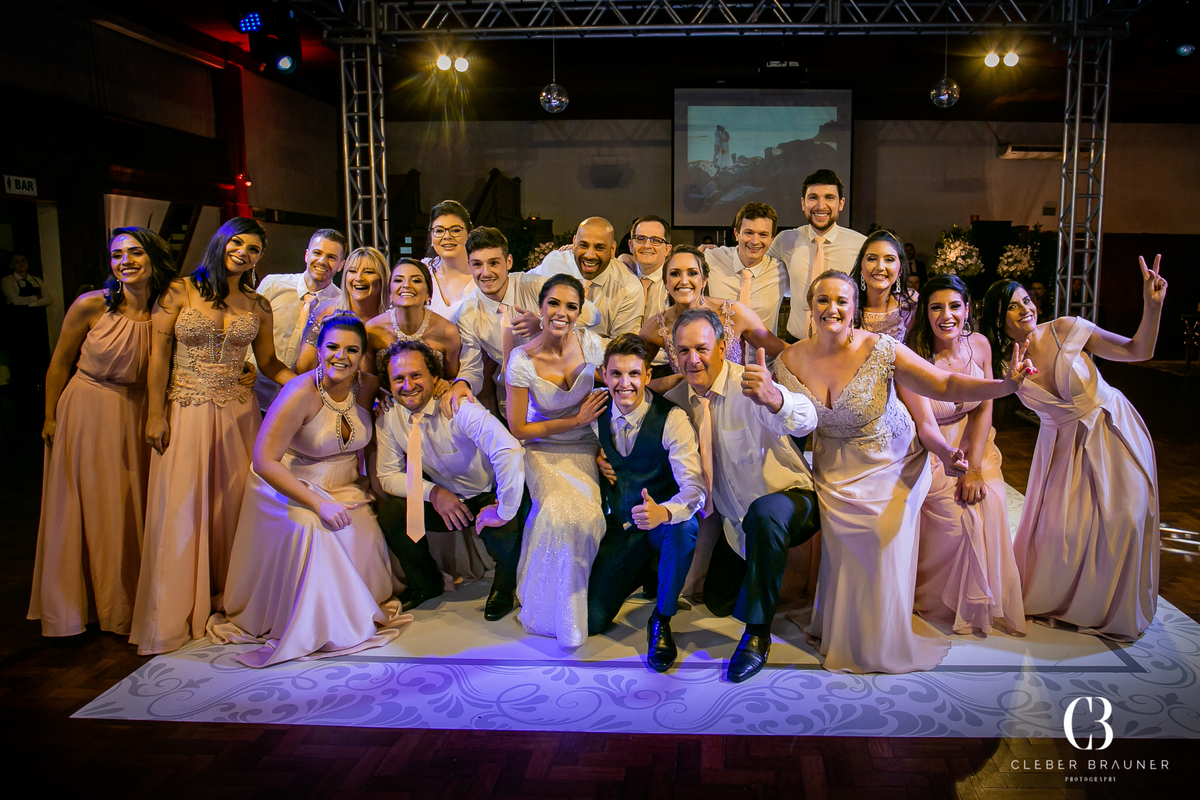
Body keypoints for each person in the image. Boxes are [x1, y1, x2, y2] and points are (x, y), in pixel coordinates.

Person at [773, 270, 1033, 674]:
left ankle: (882, 641)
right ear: (811, 306)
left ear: (855, 308)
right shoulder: (788, 360)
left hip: (893, 464)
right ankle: (841, 631)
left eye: (842, 300)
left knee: (879, 539)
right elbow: (783, 419)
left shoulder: (883, 349)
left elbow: (945, 385)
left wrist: (1005, 386)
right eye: (823, 300)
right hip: (834, 471)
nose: (832, 308)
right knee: (843, 551)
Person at [131, 217, 297, 656]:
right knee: (182, 505)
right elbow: (158, 353)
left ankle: (231, 595)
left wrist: (311, 384)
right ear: (221, 242)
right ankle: (177, 608)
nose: (244, 253)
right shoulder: (179, 291)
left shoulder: (258, 306)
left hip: (239, 415)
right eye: (238, 243)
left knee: (234, 505)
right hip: (185, 410)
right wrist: (155, 415)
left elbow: (270, 364)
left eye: (255, 249)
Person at [980, 258, 1166, 641]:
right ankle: (1071, 603)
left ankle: (1116, 610)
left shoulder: (1067, 328)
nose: (1025, 309)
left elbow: (1138, 350)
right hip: (1061, 446)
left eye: (1027, 300)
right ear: (999, 318)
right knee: (1063, 532)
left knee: (1125, 518)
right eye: (1013, 305)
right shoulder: (1001, 362)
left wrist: (1152, 306)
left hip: (1109, 428)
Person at [209, 314, 407, 667]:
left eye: (351, 349)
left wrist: (378, 486)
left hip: (346, 486)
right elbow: (264, 459)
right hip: (290, 486)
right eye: (332, 347)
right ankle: (316, 626)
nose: (340, 357)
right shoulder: (299, 391)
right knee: (317, 532)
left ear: (362, 355)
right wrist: (317, 503)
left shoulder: (365, 385)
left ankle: (356, 607)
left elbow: (374, 442)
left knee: (367, 531)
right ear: (318, 349)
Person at [28, 228, 173, 637]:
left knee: (132, 504)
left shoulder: (169, 309)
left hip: (141, 412)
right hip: (88, 408)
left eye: (134, 252)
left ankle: (130, 600)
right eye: (116, 255)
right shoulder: (91, 305)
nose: (124, 261)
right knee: (91, 503)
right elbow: (58, 364)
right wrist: (51, 417)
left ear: (154, 258)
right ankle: (80, 607)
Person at [662, 310, 819, 683]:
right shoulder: (677, 400)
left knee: (764, 515)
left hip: (791, 500)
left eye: (701, 348)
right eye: (683, 351)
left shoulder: (749, 384)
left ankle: (757, 634)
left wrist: (776, 398)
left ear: (721, 347)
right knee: (718, 602)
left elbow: (808, 419)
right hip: (738, 525)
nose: (693, 359)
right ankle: (755, 581)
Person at [904, 275, 1026, 635]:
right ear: (924, 313)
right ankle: (935, 600)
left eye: (955, 306)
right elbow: (925, 425)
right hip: (931, 447)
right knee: (954, 515)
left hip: (976, 440)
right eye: (936, 307)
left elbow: (985, 405)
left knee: (991, 500)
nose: (947, 315)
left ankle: (985, 600)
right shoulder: (912, 356)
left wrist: (974, 466)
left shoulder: (982, 346)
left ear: (967, 308)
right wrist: (949, 458)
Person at [375, 339, 529, 620]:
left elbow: (509, 451)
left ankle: (505, 588)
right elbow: (387, 475)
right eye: (398, 378)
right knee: (393, 516)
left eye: (415, 375)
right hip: (446, 498)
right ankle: (425, 584)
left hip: (487, 492)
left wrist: (503, 509)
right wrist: (432, 493)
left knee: (506, 533)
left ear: (435, 377)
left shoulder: (459, 407)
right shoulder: (388, 417)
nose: (407, 385)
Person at [587, 334, 705, 672]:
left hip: (659, 527)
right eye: (616, 374)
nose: (625, 384)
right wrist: (595, 457)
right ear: (604, 375)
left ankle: (662, 619)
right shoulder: (595, 410)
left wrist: (663, 511)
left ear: (647, 376)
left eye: (634, 374)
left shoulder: (672, 418)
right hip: (620, 528)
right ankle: (642, 572)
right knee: (593, 621)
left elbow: (694, 488)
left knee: (685, 528)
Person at [504, 273, 609, 648]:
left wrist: (605, 449)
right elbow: (518, 427)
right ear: (541, 308)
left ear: (579, 313)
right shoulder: (522, 359)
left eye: (571, 306)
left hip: (585, 450)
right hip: (543, 452)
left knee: (589, 515)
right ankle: (553, 614)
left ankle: (572, 605)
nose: (561, 313)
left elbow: (616, 396)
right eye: (554, 303)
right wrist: (574, 420)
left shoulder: (593, 347)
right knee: (558, 513)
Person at [447, 227, 599, 414]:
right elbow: (472, 368)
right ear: (469, 265)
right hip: (512, 405)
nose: (486, 273)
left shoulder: (537, 286)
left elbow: (593, 314)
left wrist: (544, 321)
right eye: (477, 264)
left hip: (565, 397)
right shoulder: (465, 315)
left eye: (494, 263)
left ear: (508, 261)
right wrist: (462, 383)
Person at [639, 245, 784, 393]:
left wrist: (771, 386)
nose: (683, 281)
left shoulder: (733, 313)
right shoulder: (658, 326)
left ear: (704, 281)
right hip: (689, 408)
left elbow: (786, 354)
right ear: (665, 282)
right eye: (675, 274)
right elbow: (629, 374)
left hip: (735, 403)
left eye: (692, 273)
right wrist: (675, 382)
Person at [251, 229, 346, 410]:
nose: (322, 261)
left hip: (301, 404)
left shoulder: (341, 305)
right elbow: (249, 331)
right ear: (306, 255)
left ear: (341, 265)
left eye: (332, 257)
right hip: (255, 395)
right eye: (317, 253)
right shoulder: (272, 285)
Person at [767, 169, 867, 341]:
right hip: (795, 342)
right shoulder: (785, 240)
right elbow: (757, 266)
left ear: (841, 204)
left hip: (842, 345)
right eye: (813, 197)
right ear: (803, 203)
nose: (820, 206)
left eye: (829, 197)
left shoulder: (861, 245)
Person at [530, 216, 646, 344]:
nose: (589, 255)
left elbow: (623, 347)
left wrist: (577, 342)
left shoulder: (629, 288)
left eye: (599, 247)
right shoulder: (554, 263)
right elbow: (522, 284)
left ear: (612, 250)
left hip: (600, 362)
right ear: (574, 243)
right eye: (583, 245)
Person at [294, 247, 390, 372]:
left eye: (369, 272)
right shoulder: (325, 312)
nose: (359, 278)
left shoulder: (393, 316)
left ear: (383, 278)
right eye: (352, 271)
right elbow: (303, 367)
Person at [702, 203, 790, 337]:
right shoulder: (713, 258)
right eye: (748, 233)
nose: (755, 241)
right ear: (736, 234)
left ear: (772, 239)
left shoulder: (781, 271)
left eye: (763, 234)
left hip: (766, 356)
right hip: (720, 356)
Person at [366, 258, 461, 380]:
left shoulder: (447, 332)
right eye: (398, 280)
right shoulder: (371, 330)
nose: (406, 285)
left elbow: (453, 377)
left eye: (416, 280)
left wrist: (446, 384)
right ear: (390, 293)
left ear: (428, 294)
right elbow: (367, 379)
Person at [617, 215, 673, 376]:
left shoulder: (677, 283)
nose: (647, 245)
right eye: (640, 239)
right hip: (622, 365)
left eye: (656, 240)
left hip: (665, 367)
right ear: (630, 245)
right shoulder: (619, 275)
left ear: (667, 249)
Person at [850, 230, 918, 340]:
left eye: (889, 260)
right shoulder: (847, 305)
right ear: (861, 267)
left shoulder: (911, 304)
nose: (880, 267)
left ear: (900, 269)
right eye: (872, 259)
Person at [1, 252, 53, 389]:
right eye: (17, 261)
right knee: (19, 353)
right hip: (17, 323)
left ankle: (38, 381)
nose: (21, 263)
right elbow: (15, 300)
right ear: (12, 265)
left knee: (36, 351)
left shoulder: (35, 280)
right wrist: (36, 298)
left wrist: (30, 304)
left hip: (35, 322)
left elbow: (47, 299)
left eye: (23, 260)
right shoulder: (7, 280)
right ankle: (21, 384)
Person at [423, 200, 477, 321]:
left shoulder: (482, 275)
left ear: (468, 234)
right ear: (431, 237)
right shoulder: (422, 273)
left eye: (456, 230)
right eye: (439, 231)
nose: (447, 236)